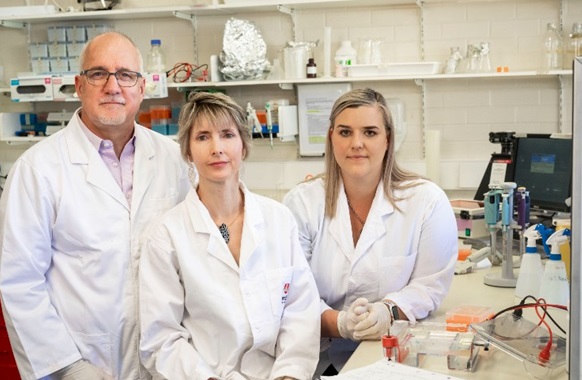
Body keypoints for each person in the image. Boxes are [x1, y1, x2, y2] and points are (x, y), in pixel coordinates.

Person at [0, 32, 190, 379]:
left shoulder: (175, 159)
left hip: (167, 361)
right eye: (98, 73)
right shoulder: (37, 169)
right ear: (79, 85)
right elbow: (20, 281)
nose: (113, 86)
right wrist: (68, 366)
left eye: (126, 75)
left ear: (142, 88)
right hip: (82, 361)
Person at [139, 92, 321, 380]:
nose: (217, 148)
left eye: (227, 134)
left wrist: (289, 375)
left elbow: (301, 312)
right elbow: (161, 338)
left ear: (243, 145)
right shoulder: (167, 235)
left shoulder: (278, 219)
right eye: (202, 137)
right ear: (187, 150)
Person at [282, 88, 457, 374]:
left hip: (391, 354)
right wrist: (338, 323)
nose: (357, 143)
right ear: (331, 138)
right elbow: (290, 294)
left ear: (388, 139)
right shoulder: (301, 203)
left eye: (370, 132)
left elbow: (429, 285)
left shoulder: (426, 201)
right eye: (345, 132)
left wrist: (387, 311)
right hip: (315, 354)